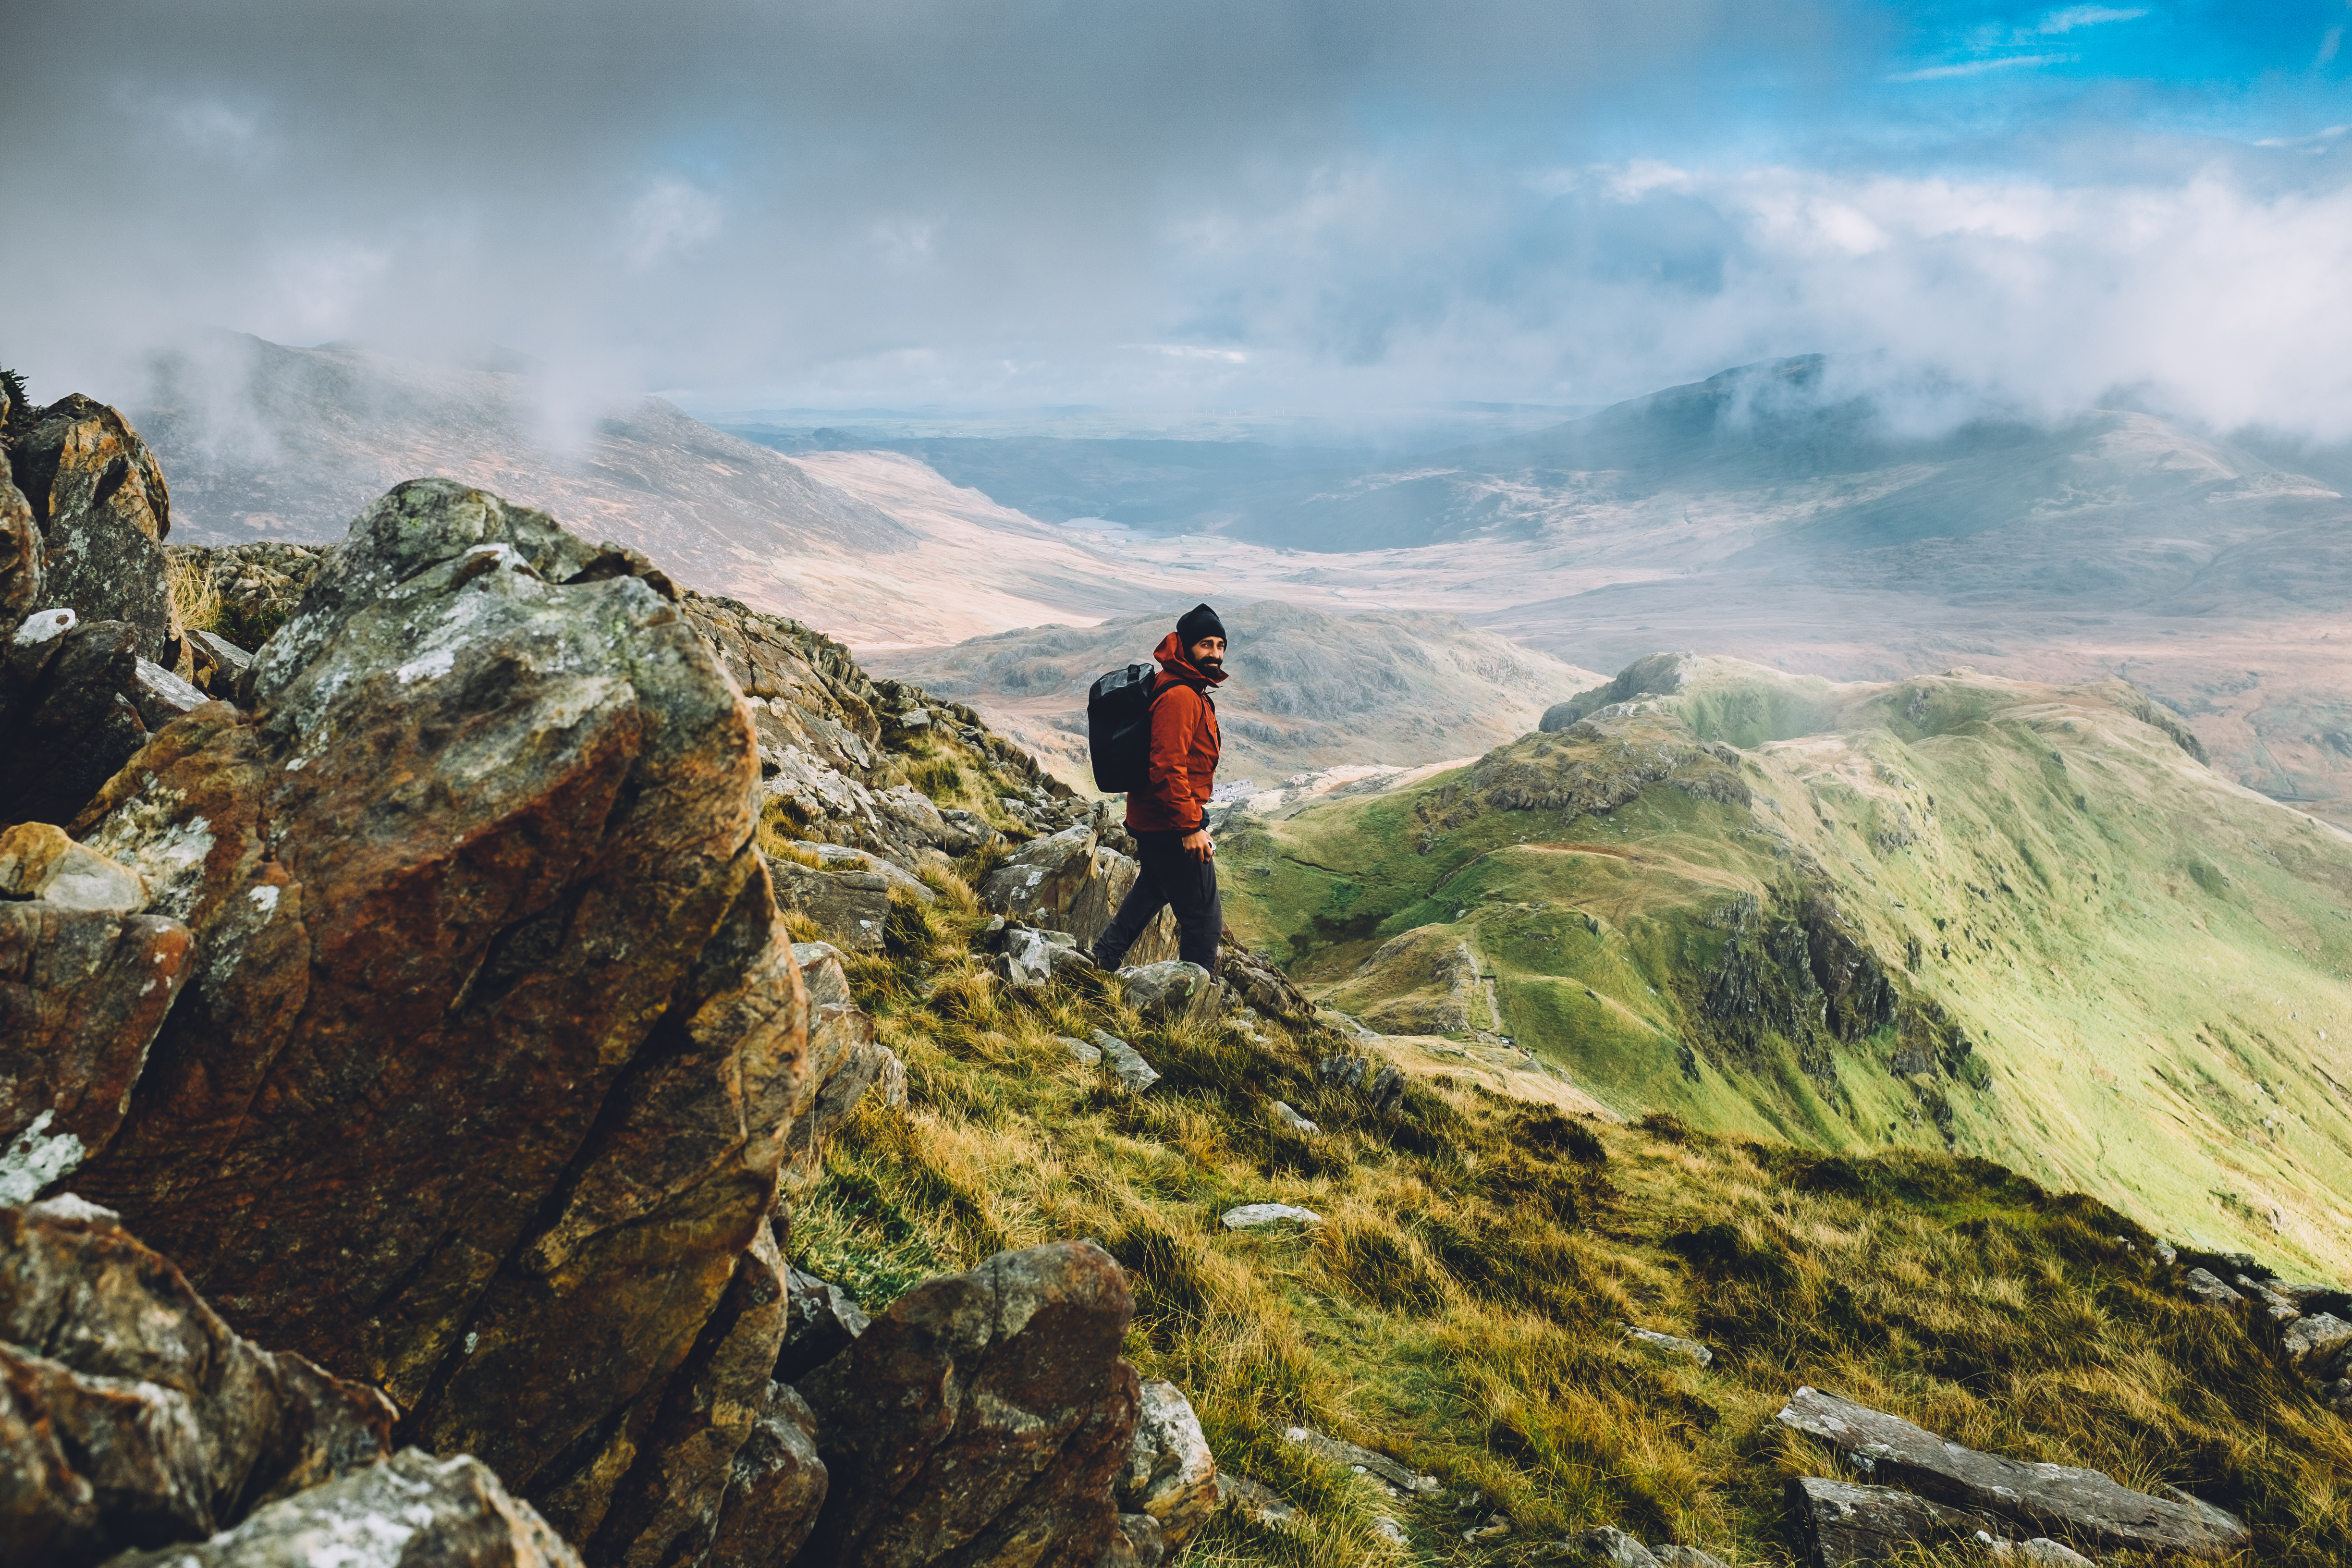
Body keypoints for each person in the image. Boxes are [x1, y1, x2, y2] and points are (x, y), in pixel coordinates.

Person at [1091, 602, 1227, 974]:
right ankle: (1187, 1012)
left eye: (1219, 645)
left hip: (1154, 819)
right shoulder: (1181, 696)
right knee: (1203, 922)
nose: (1214, 654)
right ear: (1185, 646)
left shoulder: (1183, 686)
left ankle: (1104, 959)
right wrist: (1189, 828)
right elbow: (1167, 767)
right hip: (1170, 824)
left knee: (1154, 887)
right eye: (1205, 645)